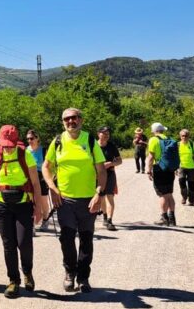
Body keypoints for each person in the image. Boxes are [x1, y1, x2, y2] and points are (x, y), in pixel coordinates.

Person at [42, 108, 107, 294]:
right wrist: (52, 188)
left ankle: (83, 278)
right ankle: (70, 273)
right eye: (67, 119)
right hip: (65, 200)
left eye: (74, 118)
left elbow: (102, 171)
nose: (71, 121)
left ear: (81, 120)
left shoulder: (90, 140)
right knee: (67, 239)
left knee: (86, 239)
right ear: (63, 122)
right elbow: (46, 167)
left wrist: (99, 194)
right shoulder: (57, 141)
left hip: (89, 200)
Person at [0, 125, 43, 298]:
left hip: (23, 204)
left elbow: (36, 183)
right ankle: (13, 281)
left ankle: (27, 272)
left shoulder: (26, 155)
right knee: (8, 244)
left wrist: (38, 208)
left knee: (24, 242)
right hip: (1, 205)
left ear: (16, 142)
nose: (8, 148)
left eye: (11, 144)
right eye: (5, 144)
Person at [146, 122, 179, 226]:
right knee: (169, 193)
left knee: (162, 194)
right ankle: (172, 218)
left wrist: (148, 169)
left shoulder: (153, 140)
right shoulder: (169, 139)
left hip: (159, 168)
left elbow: (151, 157)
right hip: (170, 169)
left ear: (154, 131)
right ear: (162, 130)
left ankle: (164, 217)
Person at [96, 126, 123, 231]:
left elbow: (120, 161)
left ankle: (110, 221)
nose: (107, 135)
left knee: (110, 196)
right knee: (101, 197)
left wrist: (111, 163)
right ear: (98, 134)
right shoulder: (93, 146)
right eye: (104, 133)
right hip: (97, 175)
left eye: (108, 134)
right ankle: (105, 216)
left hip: (110, 174)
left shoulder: (111, 146)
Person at [25, 129, 51, 230]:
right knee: (30, 201)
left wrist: (49, 179)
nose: (29, 141)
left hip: (41, 177)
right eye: (28, 139)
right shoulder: (25, 151)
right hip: (29, 177)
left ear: (37, 138)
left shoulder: (44, 150)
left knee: (43, 201)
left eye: (31, 138)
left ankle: (45, 220)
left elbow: (50, 166)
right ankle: (32, 224)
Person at [177, 129, 194, 206]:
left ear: (188, 136)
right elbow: (175, 157)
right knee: (181, 182)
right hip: (181, 167)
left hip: (191, 167)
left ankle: (191, 200)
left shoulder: (192, 144)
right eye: (183, 136)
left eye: (186, 136)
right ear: (180, 136)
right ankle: (184, 197)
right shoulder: (177, 145)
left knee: (191, 184)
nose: (184, 137)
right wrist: (175, 168)